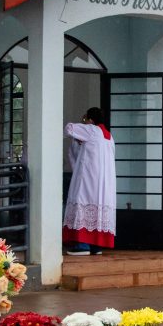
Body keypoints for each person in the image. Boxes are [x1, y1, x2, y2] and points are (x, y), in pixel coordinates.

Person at [62, 107, 116, 256]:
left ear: (91, 119)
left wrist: (84, 123)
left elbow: (69, 128)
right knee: (97, 211)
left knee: (82, 202)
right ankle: (95, 246)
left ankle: (82, 245)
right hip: (104, 182)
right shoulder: (109, 137)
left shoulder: (91, 130)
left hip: (89, 178)